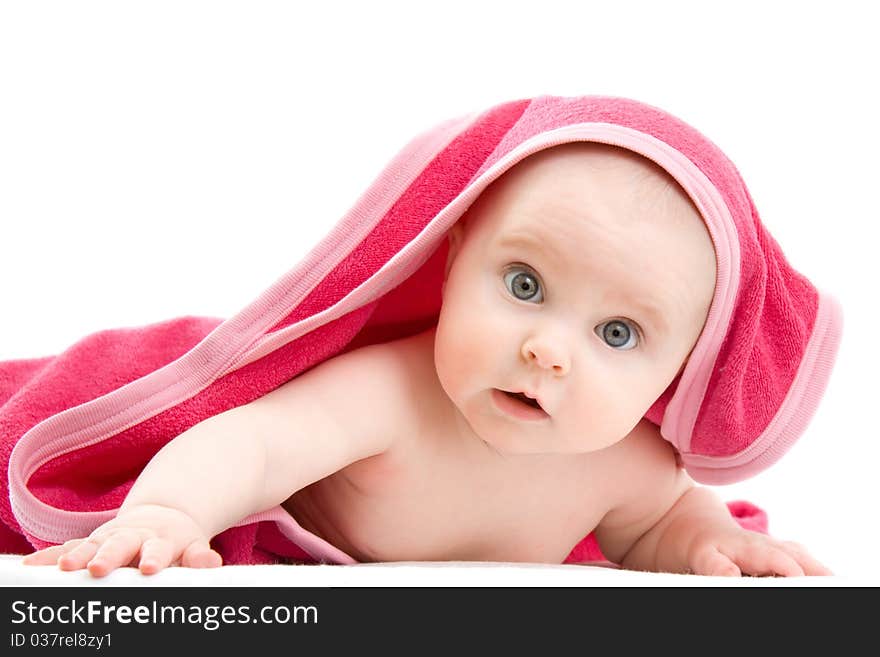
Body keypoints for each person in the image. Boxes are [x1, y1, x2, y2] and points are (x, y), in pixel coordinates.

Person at [22, 142, 831, 577]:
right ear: (450, 260)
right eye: (524, 283)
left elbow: (654, 530)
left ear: (682, 370)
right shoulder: (395, 393)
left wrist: (705, 544)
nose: (547, 349)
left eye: (617, 334)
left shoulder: (630, 464)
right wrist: (169, 514)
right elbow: (253, 443)